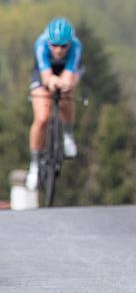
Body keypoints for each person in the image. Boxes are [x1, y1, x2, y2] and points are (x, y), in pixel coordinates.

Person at [26, 17, 83, 191]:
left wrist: (65, 83)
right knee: (42, 118)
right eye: (54, 45)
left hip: (66, 72)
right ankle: (35, 165)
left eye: (63, 46)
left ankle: (67, 135)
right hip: (43, 74)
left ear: (70, 43)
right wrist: (51, 82)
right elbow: (46, 76)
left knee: (67, 93)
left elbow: (70, 72)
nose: (58, 50)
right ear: (48, 42)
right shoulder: (41, 44)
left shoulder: (76, 46)